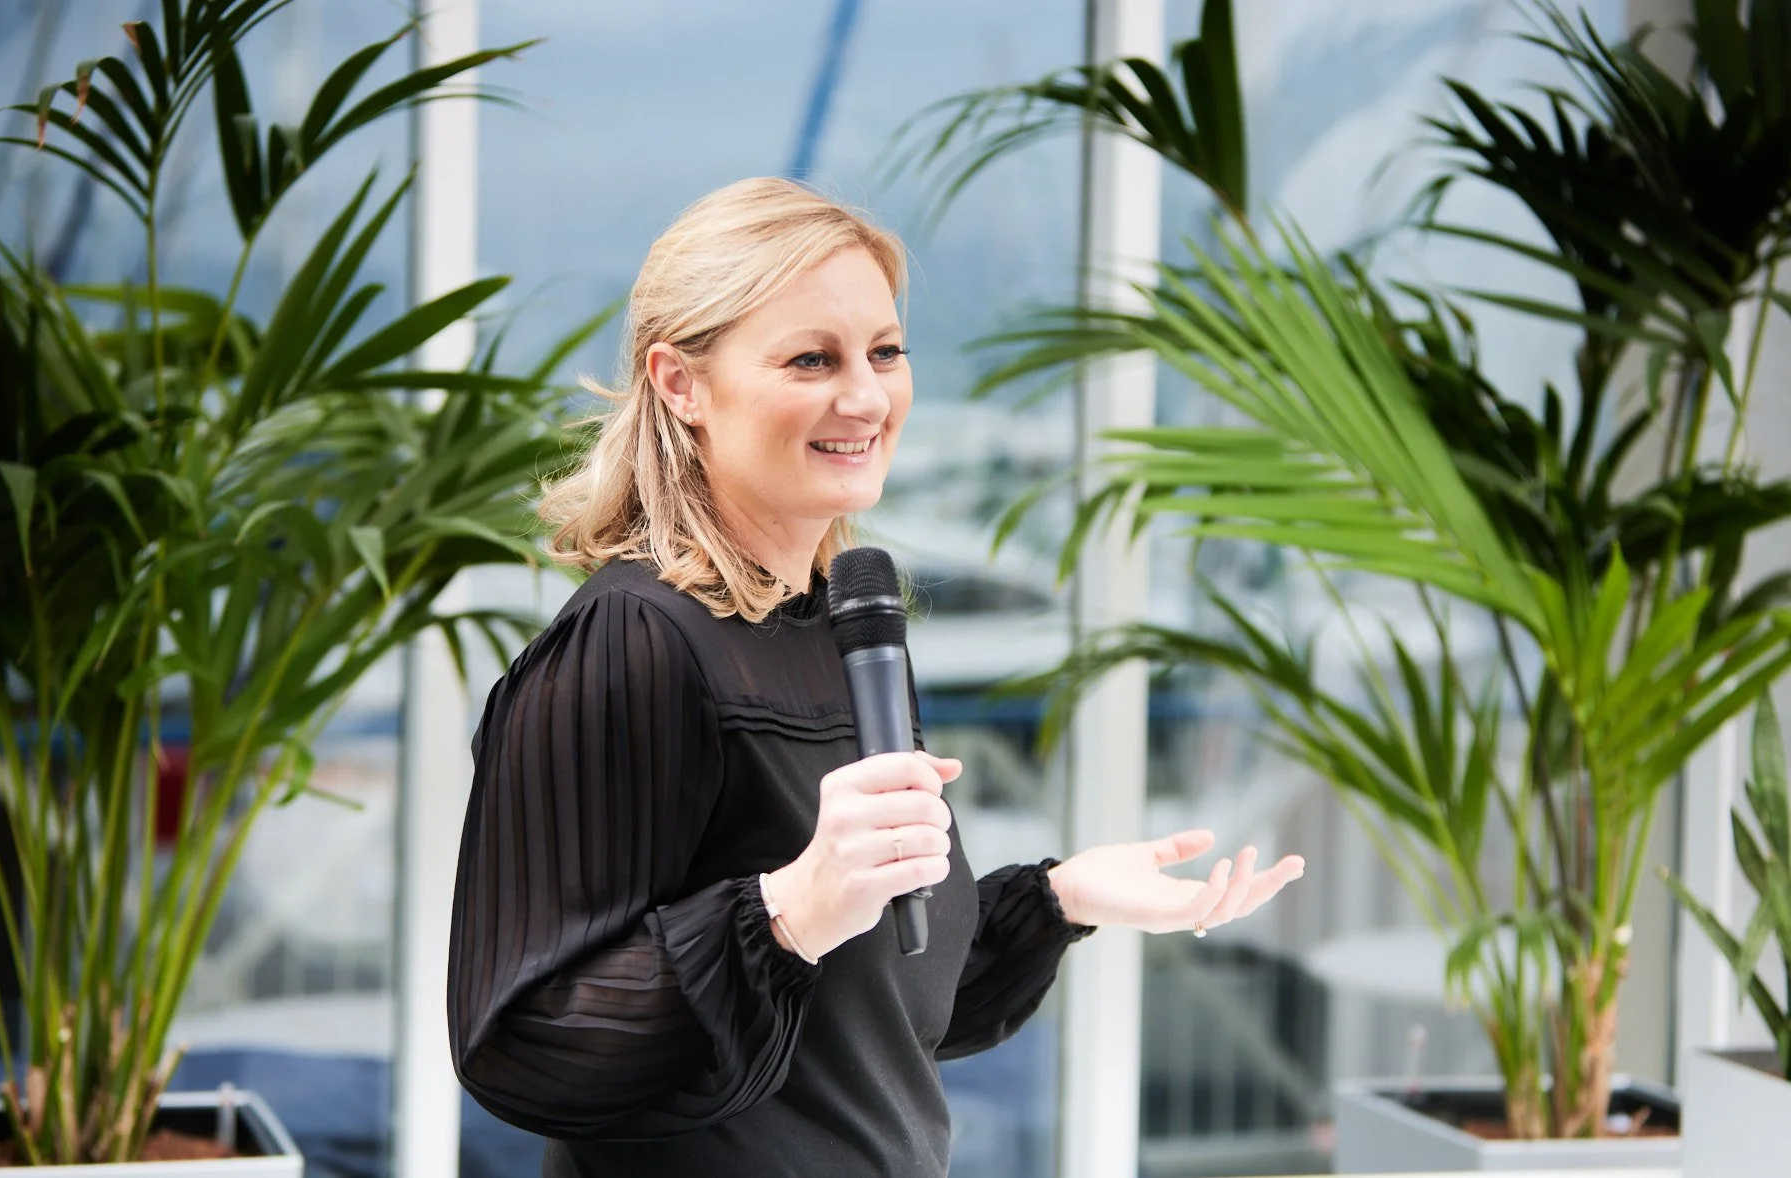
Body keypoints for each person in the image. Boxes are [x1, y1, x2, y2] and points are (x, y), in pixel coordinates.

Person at [446, 177, 1307, 1177]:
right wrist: (788, 908)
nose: (865, 394)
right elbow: (522, 1040)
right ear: (680, 383)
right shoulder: (631, 640)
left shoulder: (836, 628)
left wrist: (1063, 895)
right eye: (812, 357)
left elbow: (878, 1008)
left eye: (885, 351)